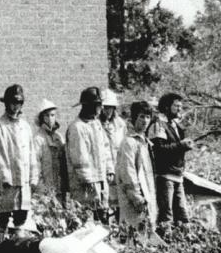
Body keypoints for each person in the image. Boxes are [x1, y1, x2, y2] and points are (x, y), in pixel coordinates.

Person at [0, 84, 38, 233]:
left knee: (21, 214)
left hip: (23, 180)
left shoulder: (25, 126)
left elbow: (31, 152)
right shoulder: (0, 126)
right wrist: (5, 177)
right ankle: (0, 240)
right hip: (8, 181)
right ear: (6, 103)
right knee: (4, 213)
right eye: (13, 102)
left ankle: (19, 241)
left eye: (19, 103)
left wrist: (33, 176)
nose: (15, 106)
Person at [149, 92, 194, 231]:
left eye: (181, 106)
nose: (180, 109)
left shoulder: (175, 125)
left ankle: (182, 240)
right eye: (176, 106)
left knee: (181, 212)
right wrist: (181, 145)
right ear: (167, 107)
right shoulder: (159, 125)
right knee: (166, 213)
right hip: (165, 175)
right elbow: (160, 149)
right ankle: (165, 239)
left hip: (177, 174)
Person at [65, 86, 111, 220]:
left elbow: (105, 147)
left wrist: (109, 169)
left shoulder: (97, 124)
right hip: (85, 186)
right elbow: (79, 156)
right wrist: (87, 178)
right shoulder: (77, 128)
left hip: (100, 181)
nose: (101, 108)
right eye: (97, 105)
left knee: (102, 217)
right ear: (88, 106)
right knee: (86, 219)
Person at [115, 100, 158, 237]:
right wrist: (136, 197)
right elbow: (128, 172)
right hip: (133, 200)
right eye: (141, 117)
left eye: (147, 117)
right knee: (132, 235)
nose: (145, 121)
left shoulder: (145, 142)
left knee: (146, 234)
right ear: (134, 118)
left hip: (147, 198)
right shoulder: (129, 142)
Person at [99, 91, 127, 219]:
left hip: (119, 165)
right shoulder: (96, 124)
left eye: (110, 107)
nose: (108, 110)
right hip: (104, 168)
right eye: (105, 107)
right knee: (105, 203)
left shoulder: (120, 124)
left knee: (120, 204)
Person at [34, 99, 67, 202]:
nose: (50, 119)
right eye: (46, 116)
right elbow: (35, 165)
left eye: (52, 115)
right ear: (42, 118)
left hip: (60, 188)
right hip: (45, 189)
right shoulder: (38, 139)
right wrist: (40, 188)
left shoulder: (59, 137)